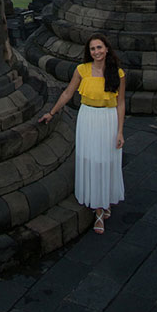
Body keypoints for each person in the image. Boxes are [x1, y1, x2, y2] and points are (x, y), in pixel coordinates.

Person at [38, 33, 125, 234]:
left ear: (107, 49)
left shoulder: (117, 73)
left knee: (105, 160)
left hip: (108, 119)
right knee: (90, 158)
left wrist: (120, 131)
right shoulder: (82, 70)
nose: (97, 52)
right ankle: (97, 204)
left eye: (100, 47)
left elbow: (120, 103)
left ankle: (103, 206)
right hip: (88, 118)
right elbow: (68, 93)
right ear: (89, 52)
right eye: (93, 49)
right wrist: (52, 112)